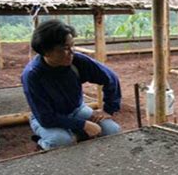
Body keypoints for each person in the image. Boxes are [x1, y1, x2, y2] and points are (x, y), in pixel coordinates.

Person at [22, 19, 122, 150]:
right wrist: (83, 125)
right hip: (48, 118)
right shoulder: (32, 75)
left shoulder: (77, 61)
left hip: (77, 110)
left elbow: (110, 78)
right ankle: (43, 143)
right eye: (64, 48)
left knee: (112, 131)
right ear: (46, 52)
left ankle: (75, 135)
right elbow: (46, 117)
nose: (71, 52)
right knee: (61, 142)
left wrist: (108, 109)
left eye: (72, 46)